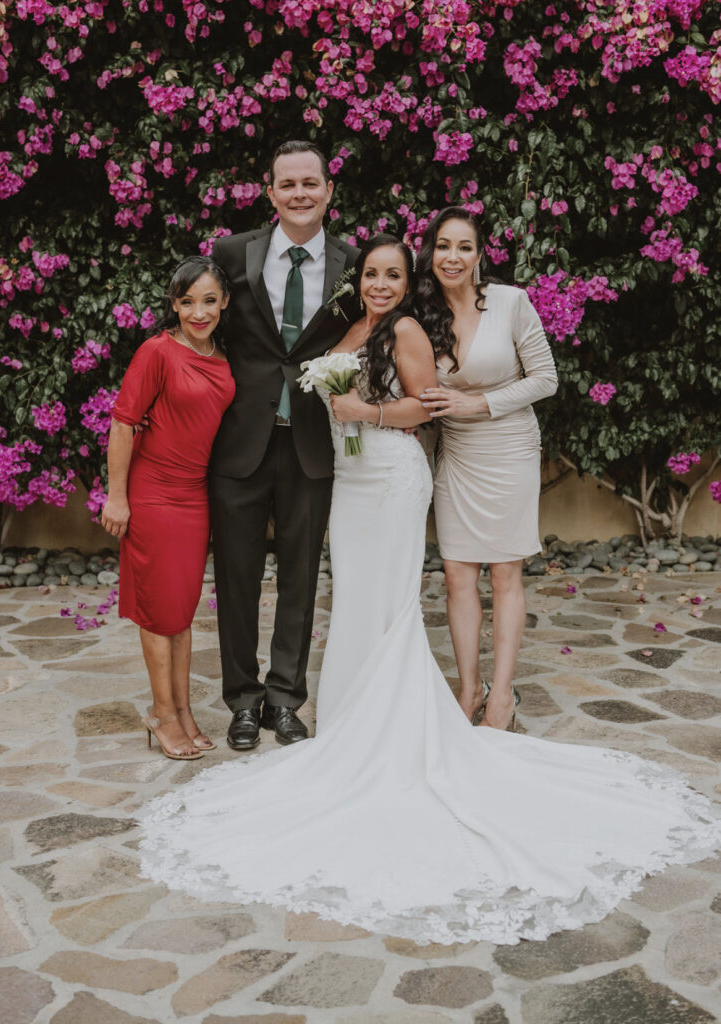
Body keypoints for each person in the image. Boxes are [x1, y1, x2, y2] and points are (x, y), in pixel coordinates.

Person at [139, 236, 718, 946]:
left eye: (393, 275)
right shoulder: (348, 325)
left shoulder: (407, 329)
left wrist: (364, 416)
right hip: (350, 482)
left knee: (387, 604)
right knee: (356, 600)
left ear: (406, 281)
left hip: (388, 476)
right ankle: (351, 717)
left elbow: (425, 407)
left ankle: (386, 728)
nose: (380, 284)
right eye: (371, 274)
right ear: (357, 278)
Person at [210, 140, 359, 751]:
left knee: (300, 576)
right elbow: (203, 327)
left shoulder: (354, 264)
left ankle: (285, 700)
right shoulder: (231, 253)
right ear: (269, 192)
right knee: (236, 578)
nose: (300, 194)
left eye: (310, 183)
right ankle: (243, 702)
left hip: (312, 441)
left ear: (329, 190)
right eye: (288, 184)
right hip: (239, 440)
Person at [416, 207, 558, 730]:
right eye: (443, 246)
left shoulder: (510, 302)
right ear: (430, 252)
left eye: (464, 247)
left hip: (509, 447)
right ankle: (468, 687)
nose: (452, 257)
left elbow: (546, 379)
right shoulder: (420, 312)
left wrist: (479, 403)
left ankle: (501, 696)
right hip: (456, 454)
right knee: (457, 574)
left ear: (480, 254)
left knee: (504, 572)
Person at [101, 256, 235, 760]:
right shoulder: (157, 351)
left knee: (180, 611)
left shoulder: (222, 354)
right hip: (153, 494)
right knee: (159, 613)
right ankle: (161, 714)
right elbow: (123, 423)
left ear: (224, 302)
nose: (199, 312)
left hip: (194, 495)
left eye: (209, 301)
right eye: (187, 302)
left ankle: (182, 711)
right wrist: (117, 496)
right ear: (174, 305)